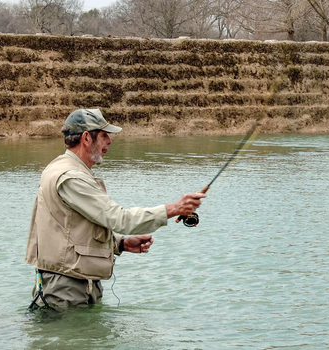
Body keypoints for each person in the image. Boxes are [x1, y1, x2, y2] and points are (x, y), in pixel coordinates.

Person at [25, 108, 206, 311]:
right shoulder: (72, 178)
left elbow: (70, 229)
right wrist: (174, 209)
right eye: (104, 136)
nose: (109, 142)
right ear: (86, 138)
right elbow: (119, 218)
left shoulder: (62, 168)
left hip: (73, 284)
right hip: (67, 289)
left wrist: (120, 244)